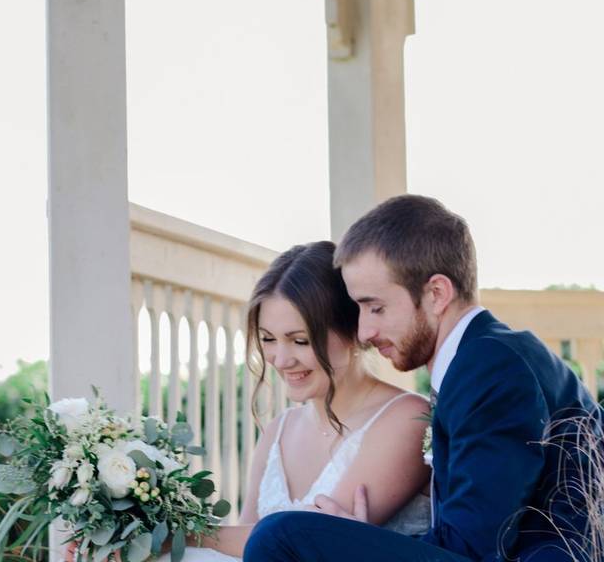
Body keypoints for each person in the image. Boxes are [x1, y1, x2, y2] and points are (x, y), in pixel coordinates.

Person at [243, 195, 600, 562]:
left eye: (375, 307)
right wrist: (358, 539)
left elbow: (474, 548)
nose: (364, 331)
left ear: (436, 294)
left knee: (282, 534)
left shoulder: (492, 366)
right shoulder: (478, 361)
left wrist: (349, 544)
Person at [154, 240, 432, 561]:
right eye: (268, 339)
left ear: (353, 329)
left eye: (300, 341)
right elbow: (241, 552)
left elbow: (302, 543)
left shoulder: (405, 419)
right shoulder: (278, 431)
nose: (282, 359)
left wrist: (177, 534)